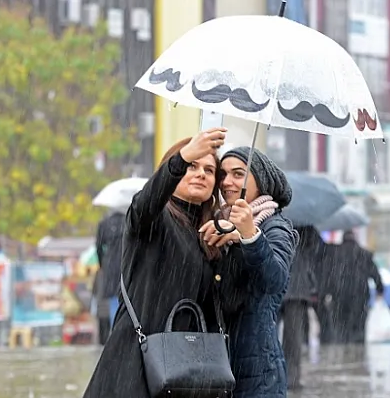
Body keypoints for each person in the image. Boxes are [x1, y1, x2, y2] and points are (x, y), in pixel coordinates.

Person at [83, 128, 227, 398]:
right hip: (135, 366)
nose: (201, 174)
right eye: (192, 166)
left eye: (209, 170)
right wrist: (182, 158)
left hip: (185, 373)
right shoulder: (153, 219)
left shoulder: (211, 235)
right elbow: (144, 203)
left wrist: (239, 239)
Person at [199, 146, 297, 398]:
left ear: (260, 180)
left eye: (238, 174)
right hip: (216, 362)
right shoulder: (218, 222)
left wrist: (250, 235)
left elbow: (275, 280)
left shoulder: (275, 226)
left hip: (257, 371)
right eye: (223, 174)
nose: (227, 182)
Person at [281, 225, 322, 390]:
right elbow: (317, 252)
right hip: (296, 288)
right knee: (293, 337)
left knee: (270, 335)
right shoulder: (308, 228)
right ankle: (292, 377)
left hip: (278, 283)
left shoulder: (273, 216)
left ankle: (280, 376)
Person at [332, 230, 383, 344]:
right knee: (359, 324)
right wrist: (380, 289)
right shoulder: (364, 254)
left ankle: (344, 346)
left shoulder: (335, 253)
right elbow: (375, 273)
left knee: (342, 324)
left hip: (340, 294)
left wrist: (327, 291)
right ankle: (358, 349)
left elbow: (329, 274)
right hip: (360, 294)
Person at [93, 210, 125, 344]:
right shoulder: (128, 220)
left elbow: (98, 247)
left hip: (110, 266)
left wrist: (102, 265)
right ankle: (123, 335)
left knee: (113, 301)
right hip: (125, 263)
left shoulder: (104, 224)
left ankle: (115, 335)